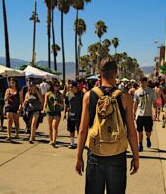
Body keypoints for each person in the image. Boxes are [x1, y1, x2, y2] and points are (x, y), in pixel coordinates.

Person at [75, 57, 139, 194]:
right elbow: (132, 132)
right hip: (117, 155)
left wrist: (79, 157)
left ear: (100, 72)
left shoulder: (88, 96)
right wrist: (136, 156)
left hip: (95, 154)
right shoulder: (125, 97)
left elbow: (82, 130)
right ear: (116, 73)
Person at [133, 77, 156, 152]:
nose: (142, 84)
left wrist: (156, 111)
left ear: (146, 83)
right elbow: (135, 103)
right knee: (139, 131)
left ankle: (148, 138)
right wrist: (133, 113)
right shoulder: (137, 92)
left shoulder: (151, 91)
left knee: (148, 132)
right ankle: (140, 144)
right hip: (139, 115)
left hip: (148, 115)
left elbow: (155, 101)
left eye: (143, 83)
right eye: (141, 83)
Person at [43, 81, 63, 148]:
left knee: (54, 126)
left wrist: (58, 104)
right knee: (50, 127)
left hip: (57, 112)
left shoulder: (60, 95)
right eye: (56, 86)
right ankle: (51, 139)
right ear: (52, 86)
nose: (57, 87)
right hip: (49, 111)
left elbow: (63, 105)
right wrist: (43, 109)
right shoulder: (48, 94)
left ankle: (54, 141)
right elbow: (45, 102)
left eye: (58, 86)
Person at [64, 81, 83, 149]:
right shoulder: (68, 94)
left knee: (80, 131)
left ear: (76, 87)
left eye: (71, 87)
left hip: (79, 115)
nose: (70, 88)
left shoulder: (81, 94)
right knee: (71, 130)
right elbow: (66, 104)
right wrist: (64, 113)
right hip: (71, 115)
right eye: (69, 87)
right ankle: (72, 143)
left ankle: (80, 143)